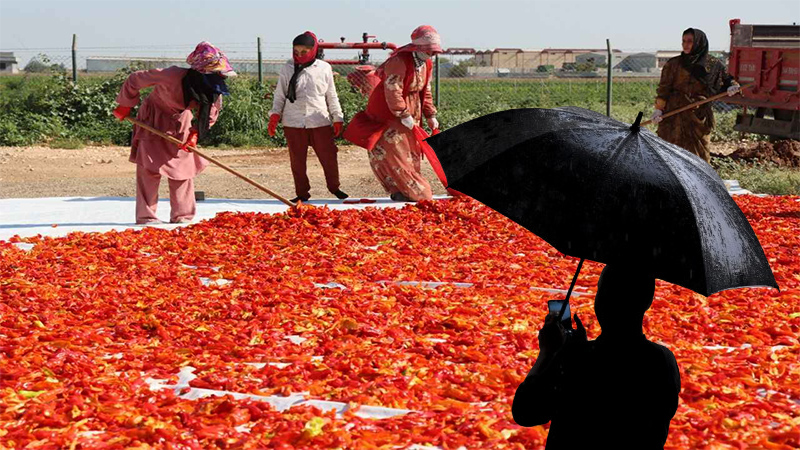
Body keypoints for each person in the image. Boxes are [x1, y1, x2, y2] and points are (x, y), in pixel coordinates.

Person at [512, 264, 681, 450]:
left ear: (600, 302)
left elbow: (526, 412)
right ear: (647, 301)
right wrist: (581, 350)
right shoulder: (663, 361)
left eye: (601, 290)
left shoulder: (578, 361)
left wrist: (548, 354)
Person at [113, 42, 234, 224]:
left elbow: (210, 113)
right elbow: (135, 80)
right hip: (153, 117)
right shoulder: (171, 75)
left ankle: (182, 215)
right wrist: (125, 105)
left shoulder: (212, 88)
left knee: (183, 168)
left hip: (180, 122)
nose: (218, 77)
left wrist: (194, 134)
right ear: (200, 72)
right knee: (149, 168)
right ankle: (146, 216)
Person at [343, 25, 441, 202]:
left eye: (433, 52)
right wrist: (403, 114)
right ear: (418, 48)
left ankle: (405, 190)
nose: (431, 55)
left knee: (411, 153)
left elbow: (425, 90)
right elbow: (392, 89)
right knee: (396, 154)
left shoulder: (426, 63)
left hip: (412, 112)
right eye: (428, 51)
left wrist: (430, 115)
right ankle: (407, 190)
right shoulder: (399, 61)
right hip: (389, 113)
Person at [268, 31, 347, 204]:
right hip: (293, 121)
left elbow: (331, 95)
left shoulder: (323, 68)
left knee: (329, 156)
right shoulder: (287, 68)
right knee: (297, 160)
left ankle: (334, 187)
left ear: (313, 50)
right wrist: (275, 115)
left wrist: (337, 117)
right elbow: (280, 95)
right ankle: (302, 193)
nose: (300, 55)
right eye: (297, 51)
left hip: (319, 119)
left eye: (304, 52)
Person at [651, 28, 740, 163]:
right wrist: (659, 109)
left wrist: (732, 86)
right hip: (674, 113)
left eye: (690, 41)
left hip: (698, 115)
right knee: (670, 151)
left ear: (699, 43)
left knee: (699, 154)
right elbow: (664, 89)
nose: (685, 45)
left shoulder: (712, 64)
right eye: (683, 41)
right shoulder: (673, 64)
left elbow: (727, 79)